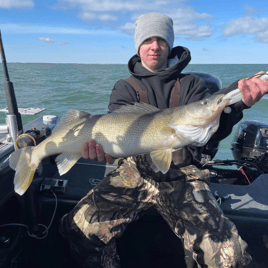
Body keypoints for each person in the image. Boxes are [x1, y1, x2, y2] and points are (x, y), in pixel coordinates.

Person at [59, 12, 268, 268]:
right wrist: (103, 152)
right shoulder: (125, 87)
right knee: (78, 228)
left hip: (183, 175)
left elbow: (207, 132)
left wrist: (235, 106)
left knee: (229, 258)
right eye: (148, 40)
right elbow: (117, 143)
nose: (155, 46)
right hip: (133, 173)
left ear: (170, 44)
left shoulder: (191, 84)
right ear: (138, 45)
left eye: (161, 40)